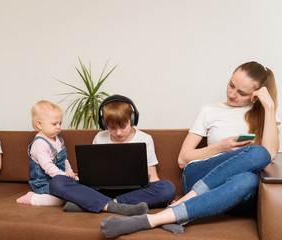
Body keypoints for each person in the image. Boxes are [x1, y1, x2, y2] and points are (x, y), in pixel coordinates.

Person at [99, 61, 280, 238]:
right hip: (199, 175)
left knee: (249, 177)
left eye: (242, 93)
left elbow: (270, 154)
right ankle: (185, 201)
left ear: (255, 95)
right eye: (231, 85)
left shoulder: (265, 115)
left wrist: (269, 107)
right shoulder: (210, 110)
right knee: (258, 153)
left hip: (233, 192)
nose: (232, 94)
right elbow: (183, 159)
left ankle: (158, 217)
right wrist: (220, 147)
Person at [48, 95, 176, 216]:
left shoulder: (145, 138)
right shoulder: (99, 137)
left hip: (134, 192)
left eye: (123, 126)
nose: (119, 132)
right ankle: (115, 206)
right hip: (101, 190)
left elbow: (153, 177)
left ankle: (94, 204)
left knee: (168, 188)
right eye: (112, 128)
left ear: (131, 119)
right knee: (57, 182)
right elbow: (92, 172)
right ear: (104, 124)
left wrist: (166, 198)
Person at [17, 100, 75, 206]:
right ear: (40, 124)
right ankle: (33, 199)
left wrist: (70, 174)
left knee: (78, 187)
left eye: (60, 123)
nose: (58, 127)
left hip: (59, 179)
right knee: (65, 197)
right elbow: (47, 166)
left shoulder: (59, 140)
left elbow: (64, 160)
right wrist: (63, 176)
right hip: (43, 183)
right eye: (54, 124)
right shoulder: (39, 144)